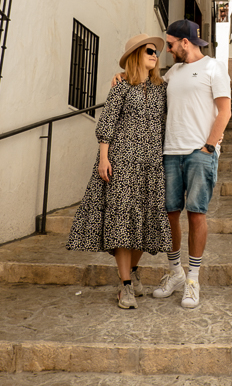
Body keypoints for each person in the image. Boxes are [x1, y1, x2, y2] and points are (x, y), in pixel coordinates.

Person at [66, 33, 171, 309]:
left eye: (156, 52)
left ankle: (133, 272)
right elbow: (107, 123)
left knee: (143, 224)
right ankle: (125, 285)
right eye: (149, 51)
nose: (155, 55)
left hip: (151, 165)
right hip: (122, 162)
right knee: (123, 223)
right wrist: (104, 158)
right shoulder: (122, 86)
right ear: (137, 54)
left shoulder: (162, 88)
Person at [152, 18, 231, 310]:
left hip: (200, 152)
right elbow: (146, 87)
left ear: (185, 42)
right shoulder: (172, 72)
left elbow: (225, 111)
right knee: (171, 214)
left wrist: (210, 146)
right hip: (171, 152)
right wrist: (122, 77)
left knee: (196, 215)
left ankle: (193, 280)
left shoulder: (213, 68)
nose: (168, 50)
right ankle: (175, 274)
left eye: (171, 44)